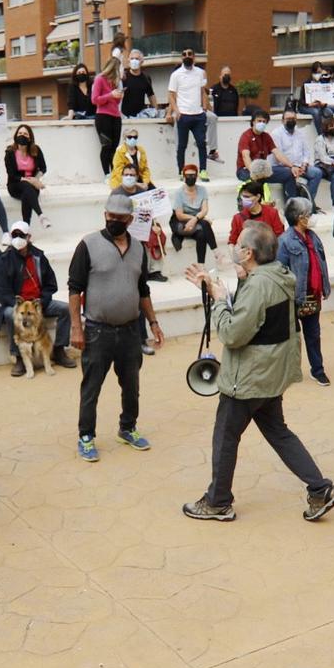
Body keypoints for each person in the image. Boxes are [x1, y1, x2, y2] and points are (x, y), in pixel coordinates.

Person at [68, 193, 163, 461]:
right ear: (105, 215)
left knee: (131, 384)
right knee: (92, 385)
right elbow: (75, 289)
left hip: (131, 329)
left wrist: (153, 322)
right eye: (110, 216)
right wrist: (76, 328)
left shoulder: (138, 250)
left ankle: (128, 427)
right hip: (98, 330)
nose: (114, 221)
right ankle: (86, 436)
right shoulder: (88, 245)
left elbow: (143, 290)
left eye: (120, 218)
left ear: (130, 220)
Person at [0, 221, 76, 375]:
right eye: (14, 235)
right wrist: (18, 304)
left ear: (29, 237)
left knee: (65, 309)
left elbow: (51, 284)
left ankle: (59, 350)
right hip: (16, 304)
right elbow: (1, 291)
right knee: (9, 315)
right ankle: (18, 356)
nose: (18, 238)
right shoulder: (3, 260)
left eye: (21, 235)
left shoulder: (39, 256)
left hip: (38, 302)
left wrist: (41, 302)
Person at [277, 197, 332, 387]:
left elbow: (321, 263)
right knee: (291, 337)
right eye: (309, 214)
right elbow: (280, 271)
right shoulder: (284, 241)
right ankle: (289, 370)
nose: (312, 218)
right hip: (294, 296)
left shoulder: (313, 237)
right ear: (301, 218)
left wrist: (324, 286)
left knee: (313, 335)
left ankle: (318, 370)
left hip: (312, 294)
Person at [166, 47, 210, 177]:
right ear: (181, 58)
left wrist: (205, 108)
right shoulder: (176, 75)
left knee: (202, 143)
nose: (187, 56)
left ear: (194, 57)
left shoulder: (201, 73)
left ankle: (203, 171)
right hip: (183, 115)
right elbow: (171, 95)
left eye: (190, 54)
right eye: (184, 54)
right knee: (182, 146)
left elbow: (203, 92)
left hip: (198, 115)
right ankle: (181, 171)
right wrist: (176, 111)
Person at [4, 123, 50, 228]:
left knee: (27, 194)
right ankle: (41, 215)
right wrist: (31, 181)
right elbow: (11, 174)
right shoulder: (10, 152)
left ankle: (26, 230)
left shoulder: (35, 150)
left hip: (32, 186)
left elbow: (43, 168)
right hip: (15, 184)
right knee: (26, 186)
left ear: (30, 137)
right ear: (16, 135)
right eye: (20, 133)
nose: (22, 135)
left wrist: (36, 178)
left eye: (25, 134)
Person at [169, 165, 217, 264]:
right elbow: (179, 215)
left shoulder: (202, 190)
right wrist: (196, 219)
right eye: (188, 175)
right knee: (205, 223)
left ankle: (201, 265)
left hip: (197, 223)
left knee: (202, 235)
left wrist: (195, 219)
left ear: (197, 176)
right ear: (183, 177)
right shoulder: (179, 192)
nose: (190, 177)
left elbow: (204, 210)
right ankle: (217, 252)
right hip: (181, 223)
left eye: (193, 175)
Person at [271, 108, 317, 208]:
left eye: (293, 118)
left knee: (317, 173)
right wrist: (292, 167)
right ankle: (293, 207)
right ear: (282, 120)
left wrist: (304, 165)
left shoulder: (301, 133)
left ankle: (308, 203)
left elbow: (306, 152)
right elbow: (278, 156)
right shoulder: (276, 134)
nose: (291, 120)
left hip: (301, 166)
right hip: (284, 166)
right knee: (289, 174)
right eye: (288, 118)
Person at [91, 55, 124, 173]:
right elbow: (94, 99)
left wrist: (119, 96)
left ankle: (115, 173)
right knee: (106, 147)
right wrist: (110, 95)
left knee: (115, 148)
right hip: (103, 116)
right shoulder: (99, 79)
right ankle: (106, 174)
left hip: (116, 117)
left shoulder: (115, 82)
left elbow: (116, 102)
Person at [229, 183, 284, 248]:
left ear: (258, 197)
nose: (244, 199)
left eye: (247, 197)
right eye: (243, 196)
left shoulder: (272, 213)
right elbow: (232, 241)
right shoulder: (238, 218)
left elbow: (280, 235)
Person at [109, 125, 154, 191]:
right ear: (125, 138)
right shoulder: (119, 152)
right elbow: (119, 171)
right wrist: (135, 184)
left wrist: (145, 182)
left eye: (135, 137)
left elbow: (145, 169)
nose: (133, 139)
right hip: (124, 180)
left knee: (156, 194)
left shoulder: (141, 150)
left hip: (139, 178)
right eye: (130, 137)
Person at [120, 52, 155, 119]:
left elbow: (151, 95)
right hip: (125, 117)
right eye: (132, 58)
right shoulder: (123, 77)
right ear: (128, 61)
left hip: (140, 117)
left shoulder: (146, 78)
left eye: (137, 59)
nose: (134, 61)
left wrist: (155, 110)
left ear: (142, 61)